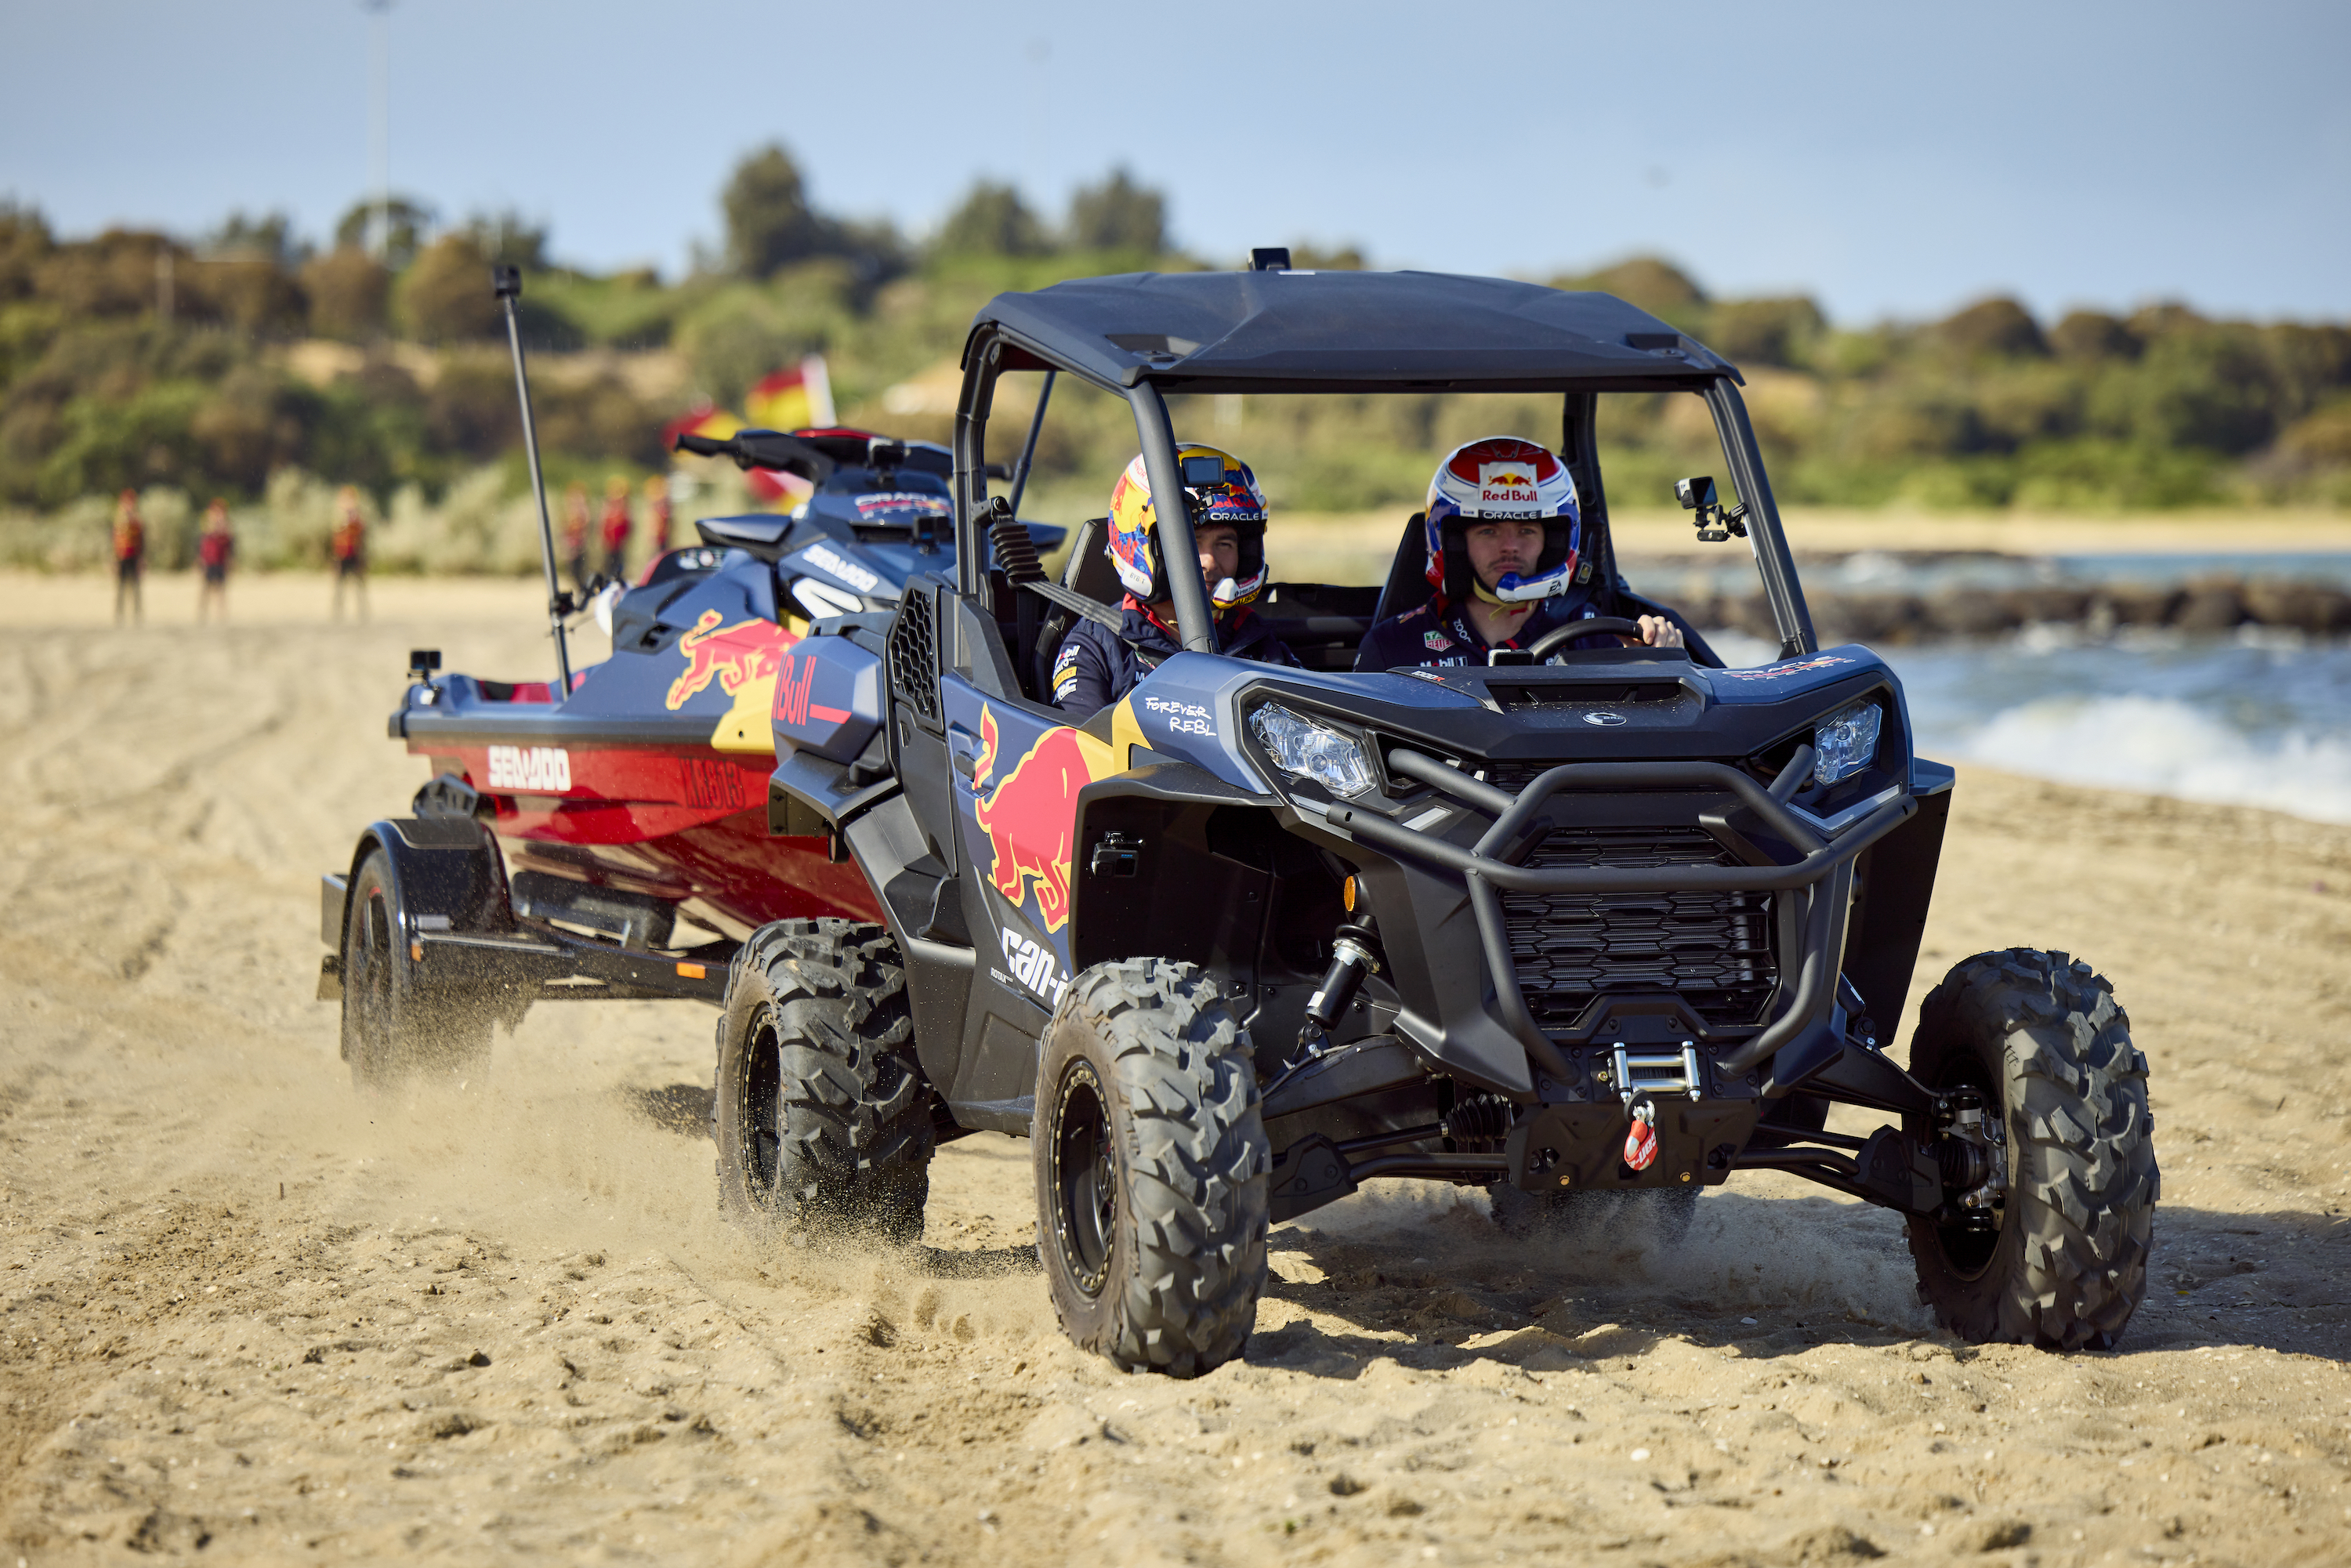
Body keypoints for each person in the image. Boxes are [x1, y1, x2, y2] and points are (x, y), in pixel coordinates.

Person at [1356, 436, 1690, 671]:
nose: (1510, 546)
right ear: (1455, 544)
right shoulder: (1393, 646)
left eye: (1527, 530)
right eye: (1489, 530)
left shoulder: (1598, 637)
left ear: (1554, 543)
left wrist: (1658, 662)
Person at [1050, 444, 1298, 717]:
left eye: (1225, 543)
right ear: (1142, 546)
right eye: (1190, 540)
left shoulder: (1256, 639)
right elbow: (1080, 749)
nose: (1210, 561)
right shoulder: (1098, 644)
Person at [331, 485, 368, 622]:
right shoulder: (339, 517)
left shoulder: (357, 518)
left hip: (355, 554)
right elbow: (336, 533)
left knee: (359, 585)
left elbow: (362, 533)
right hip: (342, 555)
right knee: (339, 586)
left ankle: (362, 611)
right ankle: (337, 612)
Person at [196, 498, 234, 623]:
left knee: (221, 589)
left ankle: (221, 614)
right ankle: (202, 613)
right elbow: (202, 543)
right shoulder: (208, 525)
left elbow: (230, 543)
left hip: (220, 560)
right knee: (206, 588)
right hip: (209, 560)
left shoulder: (226, 527)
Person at [110, 490, 145, 625]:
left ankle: (137, 614)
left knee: (136, 587)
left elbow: (142, 542)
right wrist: (113, 559)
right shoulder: (118, 521)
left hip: (134, 557)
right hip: (122, 557)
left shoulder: (137, 522)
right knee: (121, 587)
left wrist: (142, 559)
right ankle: (119, 614)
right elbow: (113, 541)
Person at [599, 475, 633, 581]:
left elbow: (628, 524)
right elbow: (603, 523)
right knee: (608, 563)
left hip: (619, 543)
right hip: (609, 542)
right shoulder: (608, 506)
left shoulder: (624, 507)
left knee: (618, 564)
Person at [561, 480, 592, 593]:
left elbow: (584, 525)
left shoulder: (583, 511)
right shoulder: (569, 511)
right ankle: (582, 588)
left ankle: (583, 589)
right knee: (572, 570)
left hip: (579, 545)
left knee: (579, 570)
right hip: (571, 545)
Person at [643, 473, 672, 556]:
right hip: (656, 536)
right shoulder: (654, 504)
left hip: (664, 535)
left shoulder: (665, 503)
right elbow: (651, 520)